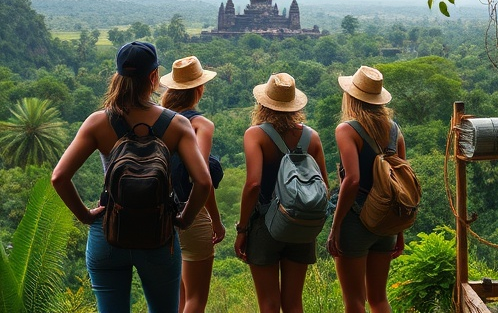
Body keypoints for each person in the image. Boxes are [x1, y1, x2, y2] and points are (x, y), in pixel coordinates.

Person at [52, 41, 211, 313]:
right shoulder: (177, 124)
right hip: (158, 233)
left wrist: (86, 216)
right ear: (153, 77)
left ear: (118, 76)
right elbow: (204, 182)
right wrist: (183, 220)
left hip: (108, 231)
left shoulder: (98, 122)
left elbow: (59, 177)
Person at [234, 72, 329, 313]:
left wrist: (242, 229)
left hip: (264, 226)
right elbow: (325, 188)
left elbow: (254, 185)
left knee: (268, 304)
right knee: (294, 303)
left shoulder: (255, 135)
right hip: (300, 226)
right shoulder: (312, 137)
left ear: (263, 103)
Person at [327, 65, 406, 313]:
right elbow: (401, 182)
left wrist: (335, 226)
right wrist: (399, 230)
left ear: (351, 97)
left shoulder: (347, 130)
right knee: (379, 299)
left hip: (356, 220)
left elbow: (351, 181)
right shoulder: (395, 131)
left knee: (354, 301)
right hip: (386, 221)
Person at [159, 55, 226, 313]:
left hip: (159, 213)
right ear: (199, 89)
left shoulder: (157, 121)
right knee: (196, 300)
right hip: (192, 213)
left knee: (178, 300)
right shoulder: (200, 124)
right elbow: (200, 177)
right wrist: (216, 221)